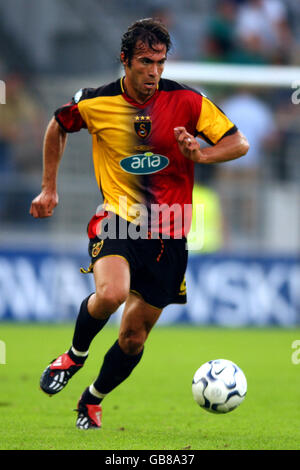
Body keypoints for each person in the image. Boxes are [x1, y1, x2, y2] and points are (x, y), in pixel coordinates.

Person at [29, 18, 249, 430]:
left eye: (161, 63)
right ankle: (74, 355)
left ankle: (92, 399)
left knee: (133, 338)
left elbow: (238, 142)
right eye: (146, 62)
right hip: (118, 220)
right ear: (125, 60)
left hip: (170, 233)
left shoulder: (188, 101)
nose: (154, 72)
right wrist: (48, 188)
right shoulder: (95, 102)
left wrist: (201, 155)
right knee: (110, 294)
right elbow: (57, 126)